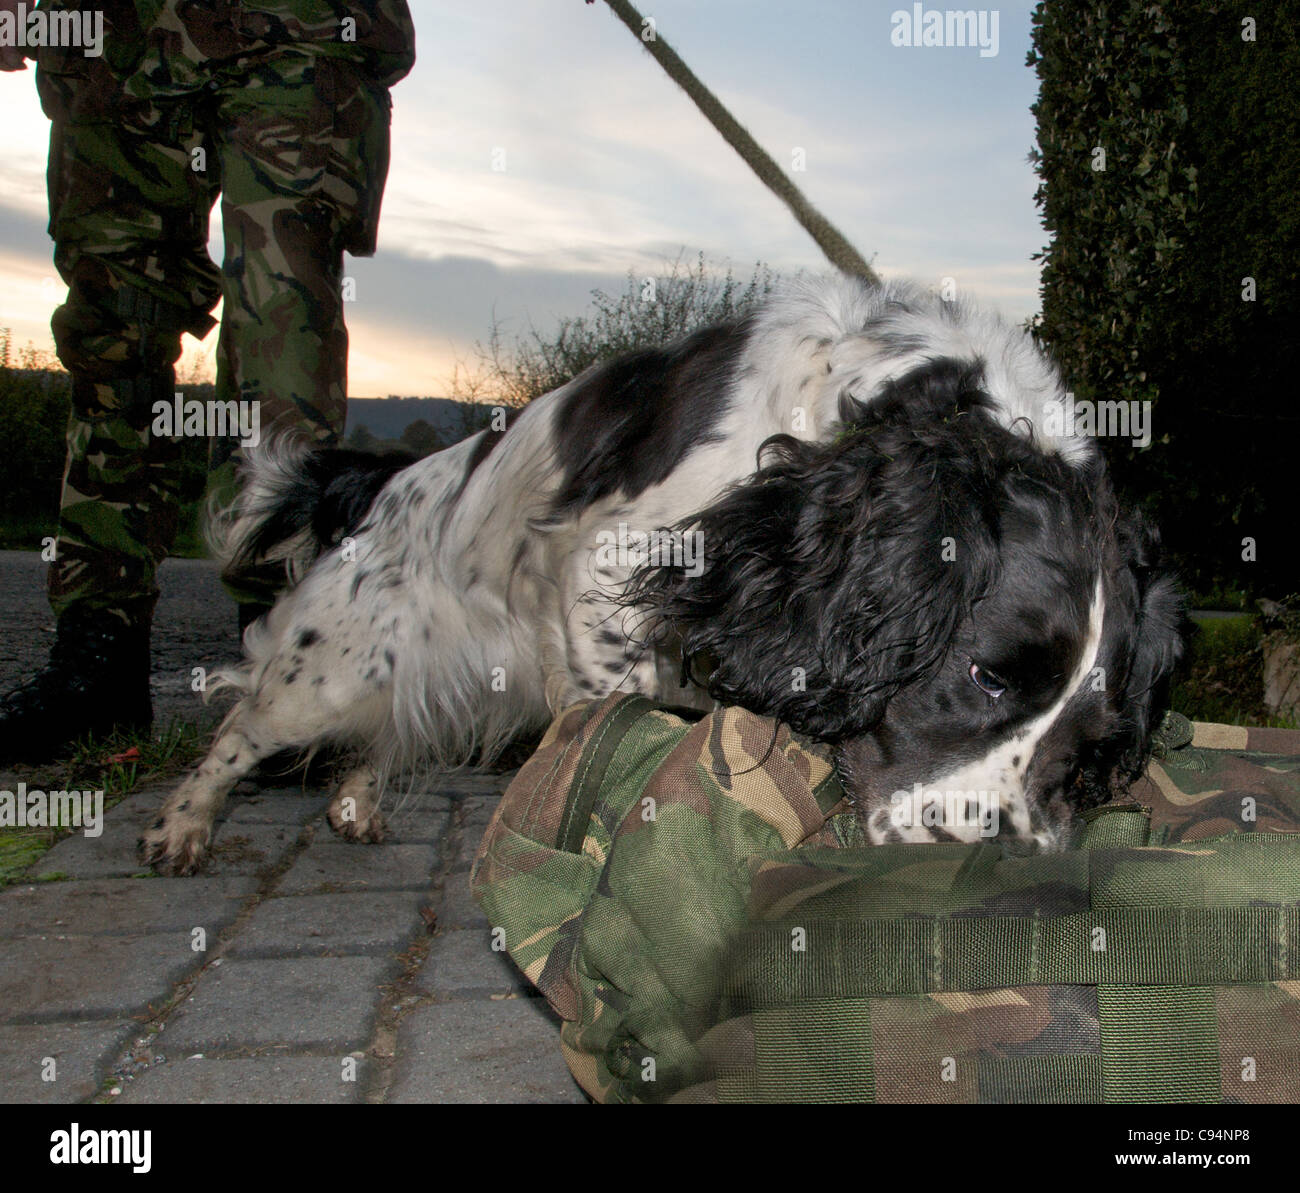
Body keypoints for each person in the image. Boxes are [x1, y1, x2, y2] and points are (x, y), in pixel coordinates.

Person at [0, 0, 415, 762]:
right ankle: (99, 652)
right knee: (112, 327)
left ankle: (289, 654)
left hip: (296, 28)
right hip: (109, 40)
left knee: (280, 331)